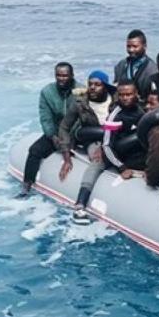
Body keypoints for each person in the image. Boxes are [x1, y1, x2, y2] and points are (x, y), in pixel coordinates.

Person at [63, 83, 145, 223]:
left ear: (136, 94)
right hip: (114, 150)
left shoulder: (141, 111)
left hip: (131, 150)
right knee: (96, 164)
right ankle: (80, 204)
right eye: (122, 95)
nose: (125, 98)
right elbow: (107, 145)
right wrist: (121, 167)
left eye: (129, 94)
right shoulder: (115, 115)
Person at [19, 62, 80, 196]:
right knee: (34, 150)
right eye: (58, 75)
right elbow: (45, 117)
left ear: (72, 75)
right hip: (57, 131)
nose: (61, 78)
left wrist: (69, 138)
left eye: (65, 75)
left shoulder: (81, 91)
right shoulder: (47, 92)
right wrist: (53, 136)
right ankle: (27, 184)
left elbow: (84, 117)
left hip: (76, 131)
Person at [113, 29, 157, 100]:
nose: (131, 50)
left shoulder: (152, 70)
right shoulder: (121, 65)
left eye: (135, 46)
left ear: (144, 46)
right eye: (128, 46)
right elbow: (116, 89)